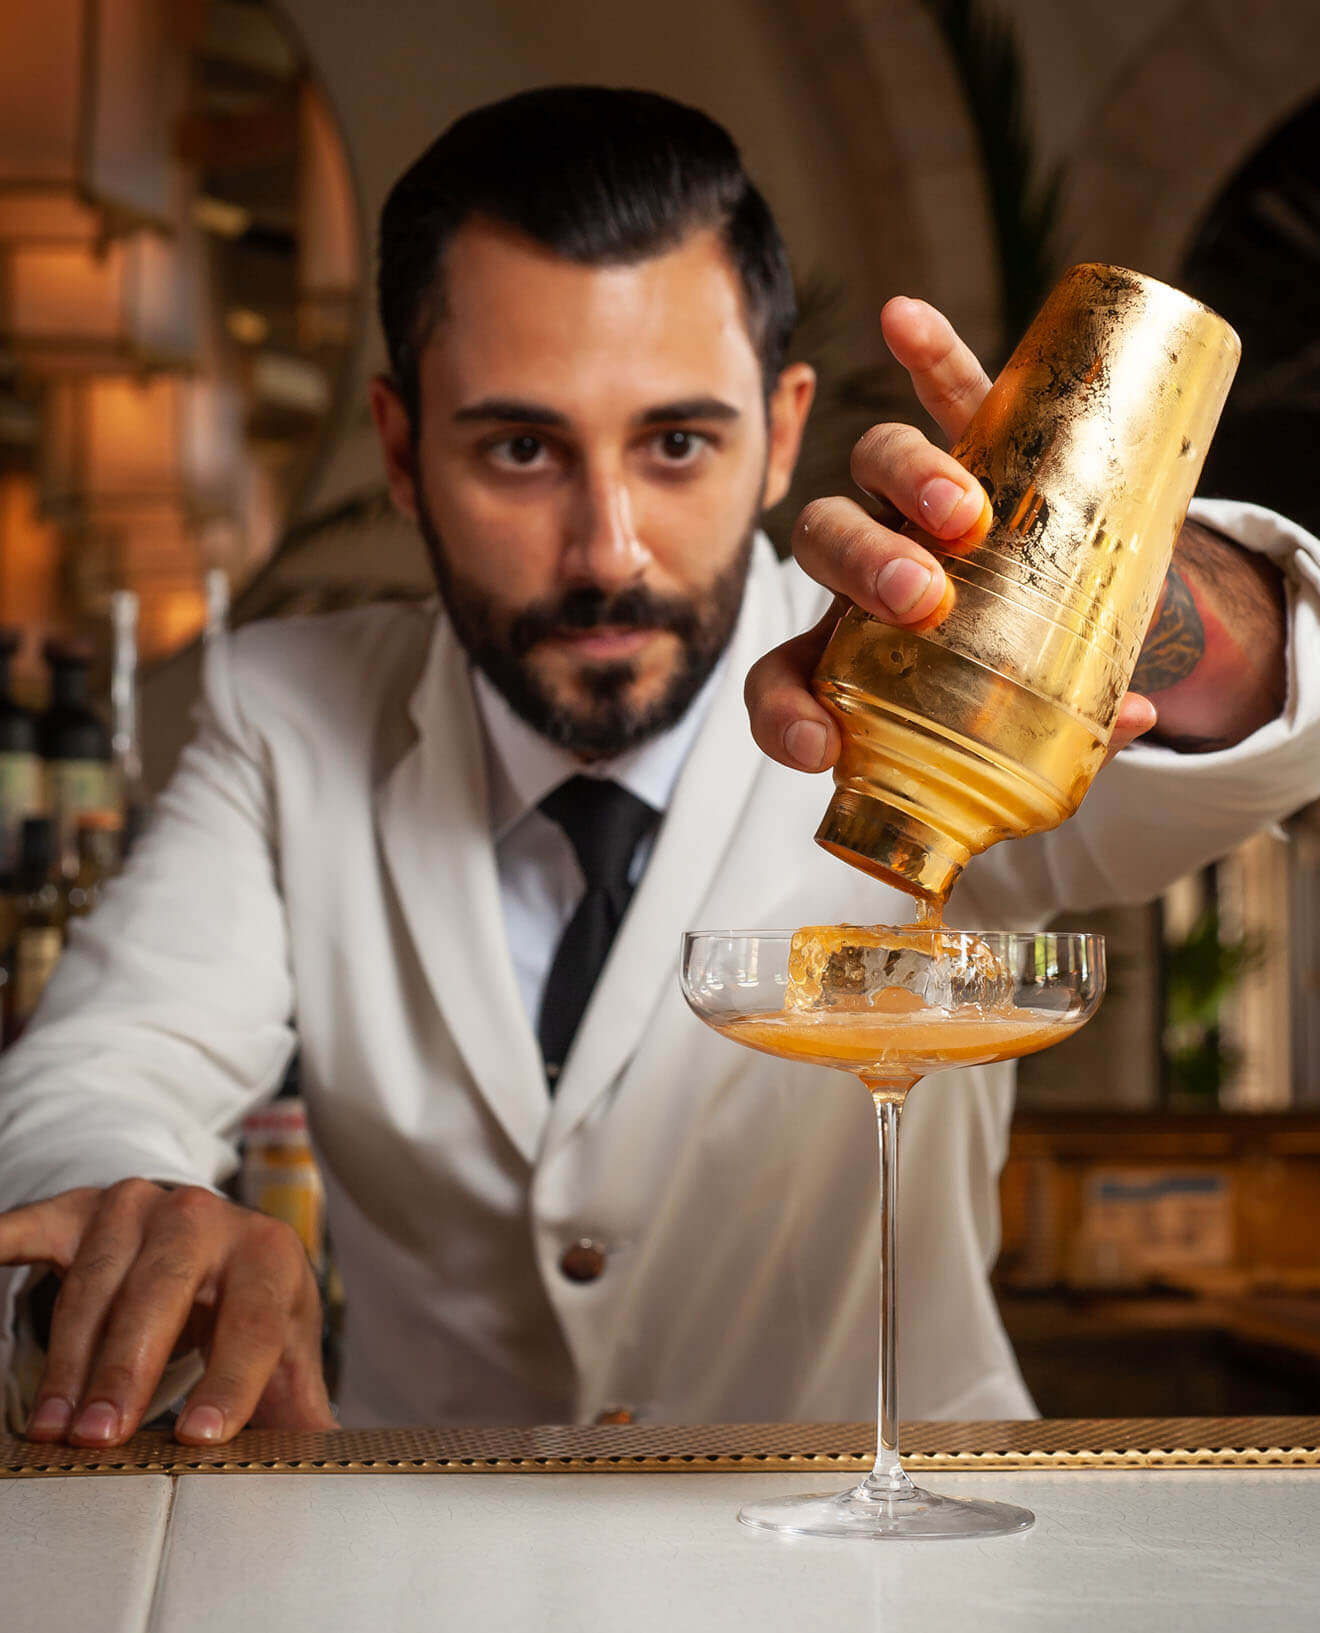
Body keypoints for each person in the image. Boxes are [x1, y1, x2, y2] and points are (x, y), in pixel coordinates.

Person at [1, 87, 1317, 1448]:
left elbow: (1273, 718)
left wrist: (1107, 582)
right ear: (401, 450)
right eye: (521, 448)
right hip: (427, 1565)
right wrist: (125, 1212)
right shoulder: (282, 712)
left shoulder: (937, 676)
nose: (609, 549)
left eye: (677, 442)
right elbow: (100, 1068)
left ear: (783, 429)